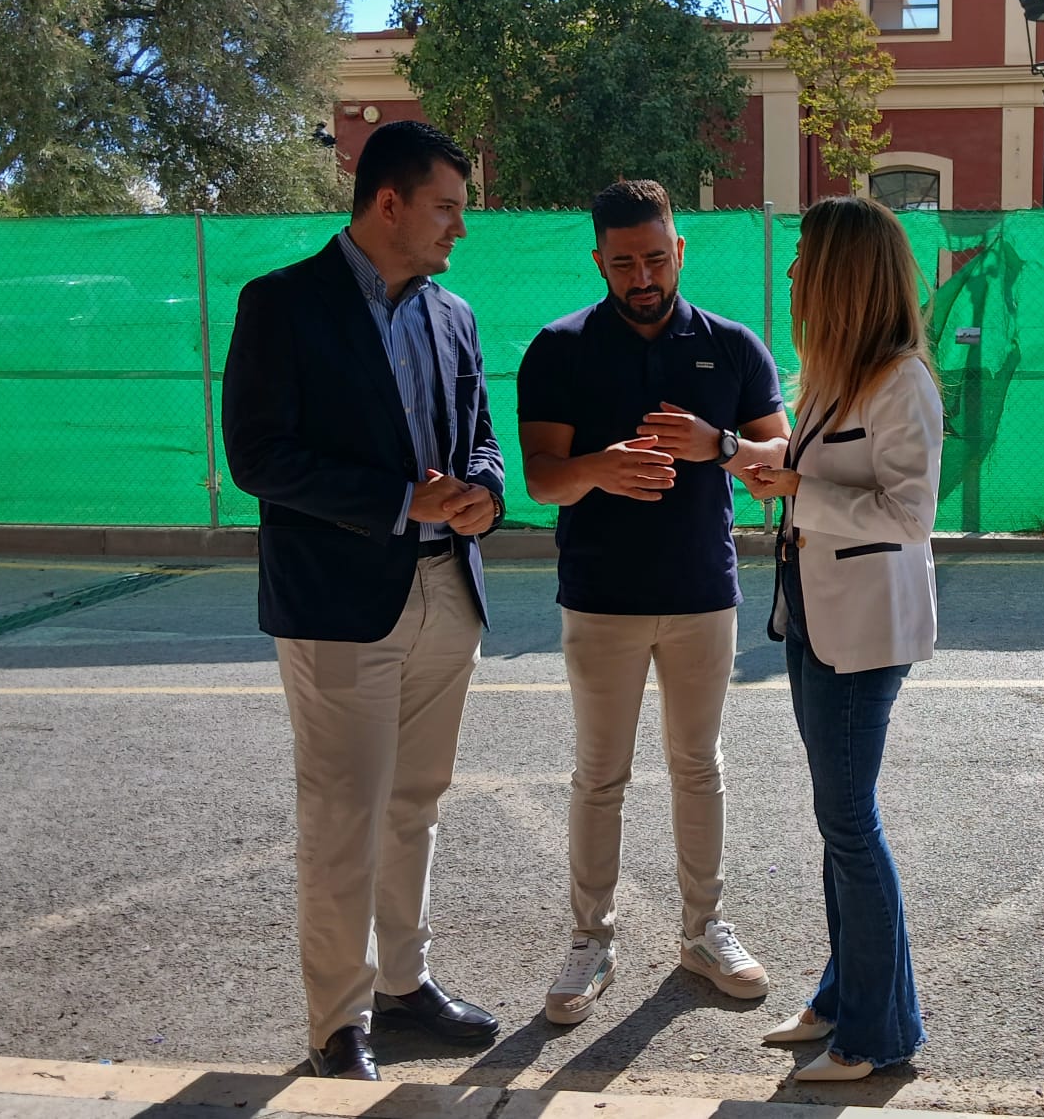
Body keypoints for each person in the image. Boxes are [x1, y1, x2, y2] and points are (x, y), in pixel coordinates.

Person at [221, 120, 506, 1081]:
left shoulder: (454, 316)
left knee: (415, 804)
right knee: (344, 812)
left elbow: (481, 437)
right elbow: (258, 457)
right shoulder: (282, 305)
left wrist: (484, 493)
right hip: (338, 603)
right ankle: (336, 1024)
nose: (458, 230)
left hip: (445, 590)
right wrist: (397, 502)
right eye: (446, 209)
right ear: (389, 204)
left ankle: (403, 985)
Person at [516, 180, 792, 1025]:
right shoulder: (559, 350)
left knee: (699, 768)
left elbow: (778, 466)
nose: (642, 276)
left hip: (704, 593)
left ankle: (704, 931)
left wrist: (722, 447)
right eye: (624, 261)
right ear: (598, 259)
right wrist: (599, 467)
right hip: (600, 600)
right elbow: (541, 479)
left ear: (682, 252)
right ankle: (590, 940)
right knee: (600, 776)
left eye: (656, 257)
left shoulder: (734, 346)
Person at [739, 195, 943, 1082]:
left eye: (803, 262)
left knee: (849, 823)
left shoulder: (903, 382)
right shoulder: (831, 374)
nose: (790, 277)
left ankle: (876, 1032)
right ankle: (839, 995)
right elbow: (805, 471)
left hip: (863, 632)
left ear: (839, 276)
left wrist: (795, 491)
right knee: (836, 821)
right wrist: (745, 459)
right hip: (813, 613)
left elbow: (910, 514)